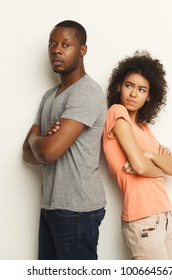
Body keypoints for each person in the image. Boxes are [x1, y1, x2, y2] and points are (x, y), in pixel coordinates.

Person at [22, 20, 107, 260]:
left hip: (78, 209)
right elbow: (27, 154)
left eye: (66, 44)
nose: (56, 49)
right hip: (51, 205)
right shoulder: (50, 96)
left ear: (82, 50)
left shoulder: (86, 92)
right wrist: (42, 141)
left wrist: (38, 140)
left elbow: (46, 153)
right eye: (52, 44)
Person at [102, 50, 172, 260]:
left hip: (166, 216)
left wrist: (149, 155)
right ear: (119, 86)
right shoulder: (116, 113)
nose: (133, 93)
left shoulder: (143, 128)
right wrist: (157, 166)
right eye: (129, 85)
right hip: (143, 218)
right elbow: (139, 167)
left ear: (149, 96)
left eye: (142, 89)